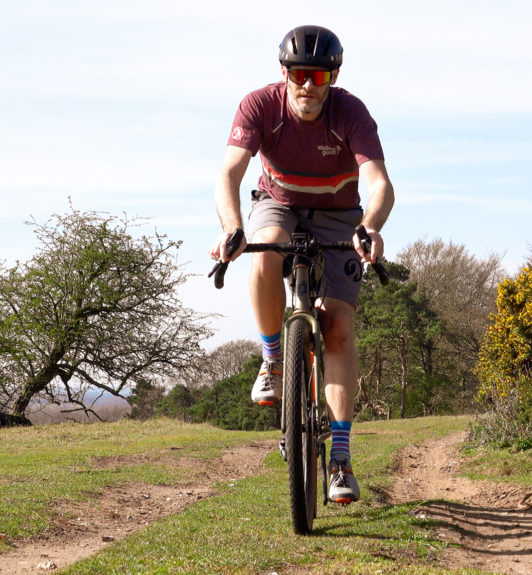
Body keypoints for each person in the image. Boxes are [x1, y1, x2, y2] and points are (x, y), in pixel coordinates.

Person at [209, 25, 394, 504]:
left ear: (332, 75)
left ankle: (340, 458)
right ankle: (273, 360)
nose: (307, 85)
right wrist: (232, 227)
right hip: (279, 205)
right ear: (284, 73)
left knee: (337, 329)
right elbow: (229, 172)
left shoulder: (349, 112)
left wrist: (370, 227)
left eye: (318, 75)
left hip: (340, 216)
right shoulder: (259, 106)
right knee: (266, 247)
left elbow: (379, 184)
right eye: (298, 74)